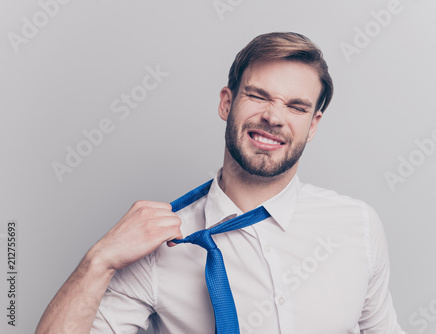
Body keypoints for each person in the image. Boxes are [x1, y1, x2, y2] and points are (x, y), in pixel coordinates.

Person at [36, 32, 405, 334]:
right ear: (226, 103)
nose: (274, 117)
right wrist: (99, 260)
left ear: (314, 126)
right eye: (258, 96)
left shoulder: (357, 225)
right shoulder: (158, 246)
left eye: (296, 107)